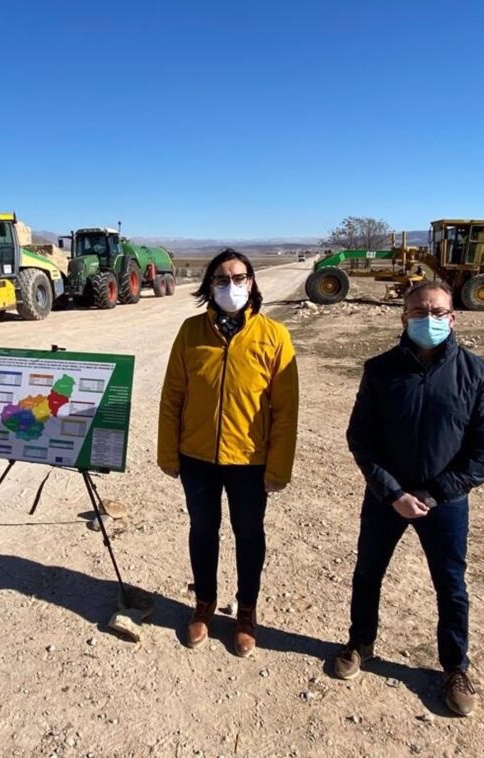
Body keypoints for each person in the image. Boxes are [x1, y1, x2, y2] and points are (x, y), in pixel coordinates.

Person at [335, 280, 484, 716]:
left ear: (452, 317)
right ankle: (361, 642)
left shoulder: (478, 373)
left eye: (437, 311)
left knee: (450, 586)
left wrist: (433, 493)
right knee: (368, 572)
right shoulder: (379, 370)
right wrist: (392, 492)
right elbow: (361, 437)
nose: (427, 319)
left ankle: (454, 667)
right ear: (403, 317)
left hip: (444, 502)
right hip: (385, 498)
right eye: (417, 312)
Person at [158, 249, 299, 657]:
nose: (231, 286)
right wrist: (169, 453)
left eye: (239, 278)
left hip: (250, 462)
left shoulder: (274, 336)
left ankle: (246, 611)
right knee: (203, 530)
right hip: (197, 458)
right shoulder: (189, 332)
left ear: (252, 283)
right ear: (209, 287)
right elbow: (172, 397)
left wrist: (278, 467)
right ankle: (204, 604)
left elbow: (285, 411)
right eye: (221, 280)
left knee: (249, 534)